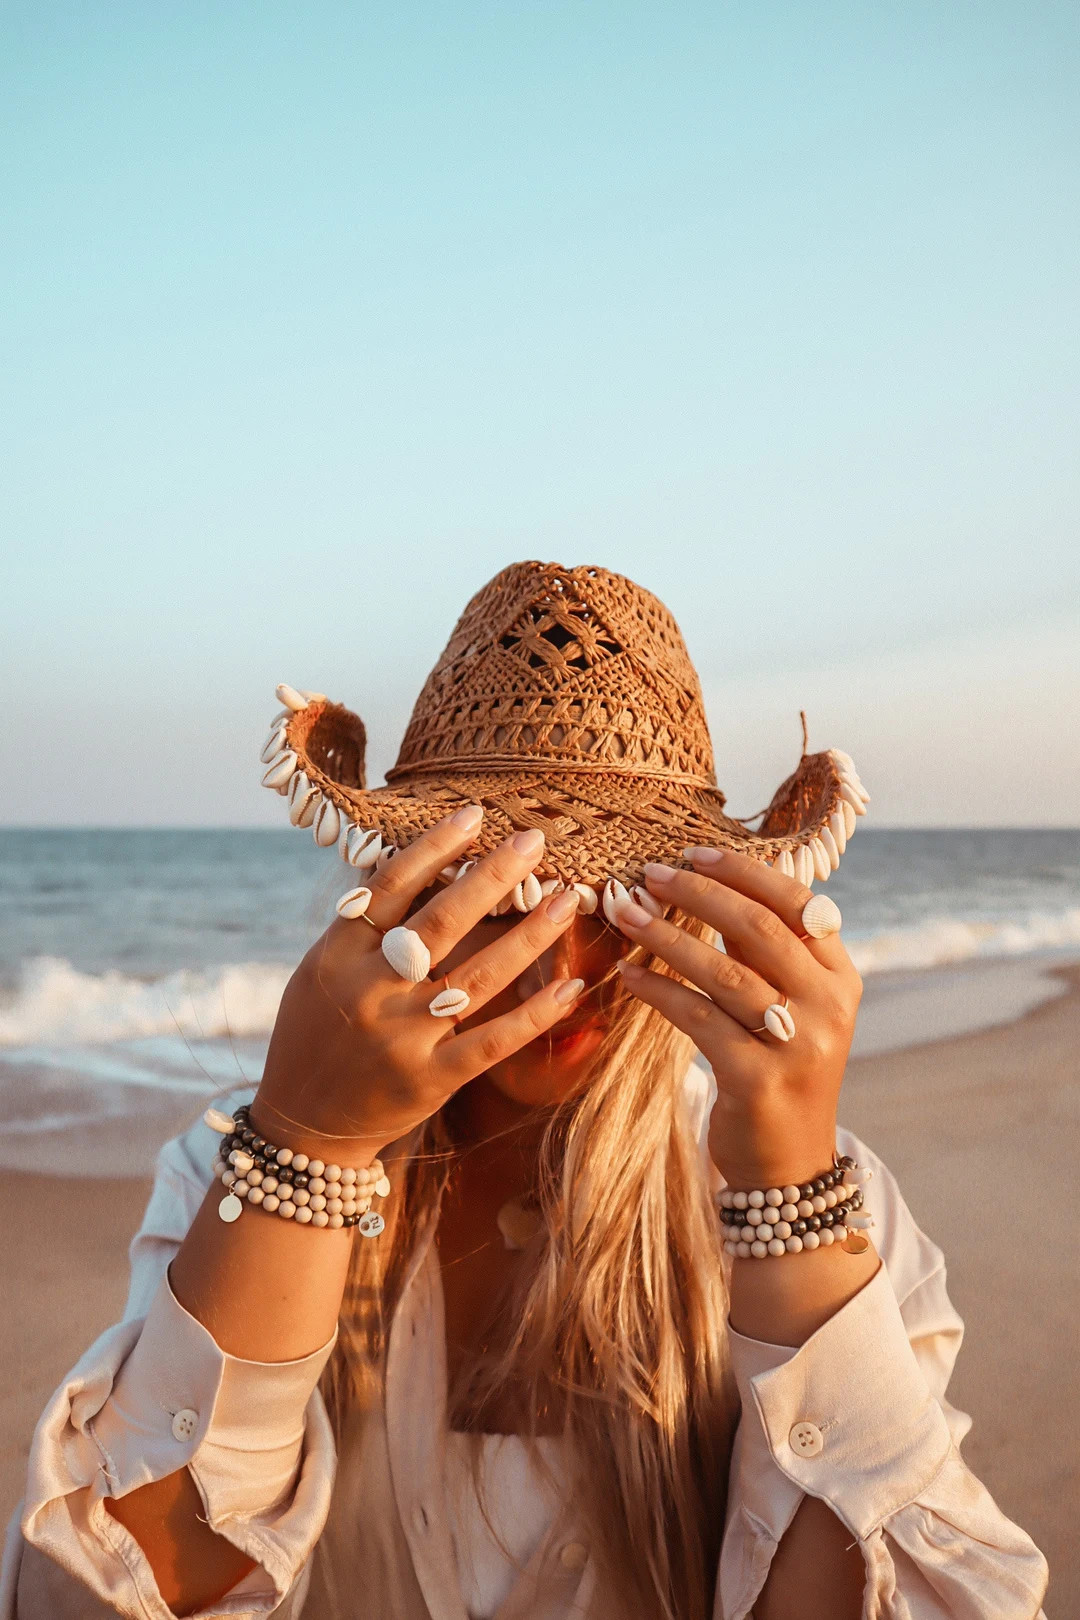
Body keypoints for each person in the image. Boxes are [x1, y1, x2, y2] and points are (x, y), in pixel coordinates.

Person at [6, 563, 1048, 1619]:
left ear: (700, 905)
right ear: (400, 882)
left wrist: (791, 1200)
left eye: (617, 894)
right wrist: (304, 1149)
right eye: (503, 895)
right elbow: (89, 1598)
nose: (560, 966)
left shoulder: (833, 1213)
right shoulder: (223, 1176)